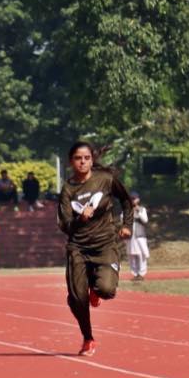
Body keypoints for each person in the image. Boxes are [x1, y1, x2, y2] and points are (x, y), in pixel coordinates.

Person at [57, 141, 133, 356]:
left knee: (107, 290)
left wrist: (127, 225)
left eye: (86, 158)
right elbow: (65, 225)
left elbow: (126, 201)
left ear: (92, 160)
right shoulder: (68, 189)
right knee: (77, 299)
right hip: (78, 247)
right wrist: (80, 219)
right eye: (78, 158)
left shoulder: (105, 180)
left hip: (105, 244)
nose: (82, 162)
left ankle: (95, 290)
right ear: (70, 162)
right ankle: (88, 338)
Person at [128, 192, 150, 281]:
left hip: (140, 236)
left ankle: (141, 273)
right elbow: (122, 219)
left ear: (138, 200)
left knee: (141, 254)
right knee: (132, 255)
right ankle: (135, 273)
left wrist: (138, 211)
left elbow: (145, 220)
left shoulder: (142, 209)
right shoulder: (127, 209)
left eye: (134, 199)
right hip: (130, 236)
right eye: (131, 199)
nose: (133, 200)